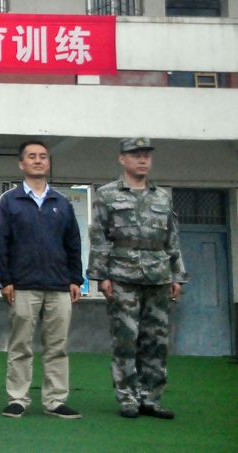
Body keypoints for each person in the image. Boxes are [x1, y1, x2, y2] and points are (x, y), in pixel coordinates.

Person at [87, 138, 187, 420]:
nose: (142, 160)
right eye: (136, 155)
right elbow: (99, 237)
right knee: (125, 339)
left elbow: (172, 239)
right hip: (123, 276)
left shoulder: (162, 197)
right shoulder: (107, 195)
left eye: (146, 156)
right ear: (122, 159)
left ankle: (151, 398)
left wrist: (177, 275)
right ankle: (128, 397)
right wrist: (101, 276)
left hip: (159, 276)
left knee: (156, 341)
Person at [0, 140, 83, 420]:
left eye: (43, 156)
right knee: (20, 345)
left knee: (58, 347)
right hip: (22, 286)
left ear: (49, 163)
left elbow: (73, 243)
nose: (38, 160)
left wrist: (75, 279)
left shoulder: (62, 203)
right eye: (32, 156)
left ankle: (55, 400)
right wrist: (4, 280)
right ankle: (18, 398)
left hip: (59, 286)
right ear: (22, 164)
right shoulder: (9, 201)